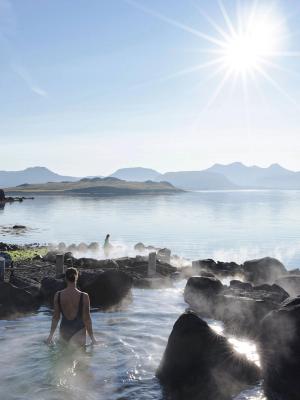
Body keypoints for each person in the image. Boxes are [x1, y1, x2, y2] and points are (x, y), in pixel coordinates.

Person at [46, 267, 97, 346]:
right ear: (77, 277)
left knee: (63, 356)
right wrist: (93, 338)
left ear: (65, 278)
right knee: (80, 355)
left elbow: (56, 317)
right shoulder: (84, 296)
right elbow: (87, 319)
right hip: (79, 331)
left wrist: (50, 336)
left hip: (64, 330)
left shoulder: (58, 295)